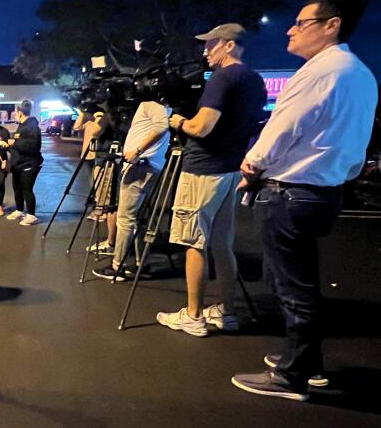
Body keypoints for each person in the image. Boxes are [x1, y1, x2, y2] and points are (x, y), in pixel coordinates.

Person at [231, 0, 377, 401]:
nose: (291, 29)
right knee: (301, 282)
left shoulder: (319, 71)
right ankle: (304, 361)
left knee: (292, 287)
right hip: (324, 192)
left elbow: (283, 127)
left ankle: (293, 375)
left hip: (291, 194)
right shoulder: (359, 73)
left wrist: (253, 163)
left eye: (301, 22)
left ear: (331, 25)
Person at [156, 23, 268, 338]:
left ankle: (193, 316)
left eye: (211, 44)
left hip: (202, 170)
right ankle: (227, 312)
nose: (205, 51)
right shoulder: (254, 79)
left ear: (229, 45)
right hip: (230, 169)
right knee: (222, 243)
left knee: (194, 242)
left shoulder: (223, 78)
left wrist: (178, 121)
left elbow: (202, 127)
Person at [92, 95, 171, 280]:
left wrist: (137, 151)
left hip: (141, 166)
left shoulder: (149, 104)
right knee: (138, 219)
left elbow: (161, 127)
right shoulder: (165, 109)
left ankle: (118, 266)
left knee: (125, 218)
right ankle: (142, 264)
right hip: (150, 165)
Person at [5, 100, 44, 226]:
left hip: (29, 164)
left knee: (27, 190)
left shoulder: (32, 126)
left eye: (15, 113)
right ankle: (19, 210)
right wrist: (8, 146)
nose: (14, 115)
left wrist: (14, 144)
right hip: (18, 164)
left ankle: (32, 215)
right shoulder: (22, 126)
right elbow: (17, 145)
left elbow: (32, 146)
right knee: (17, 189)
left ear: (20, 113)